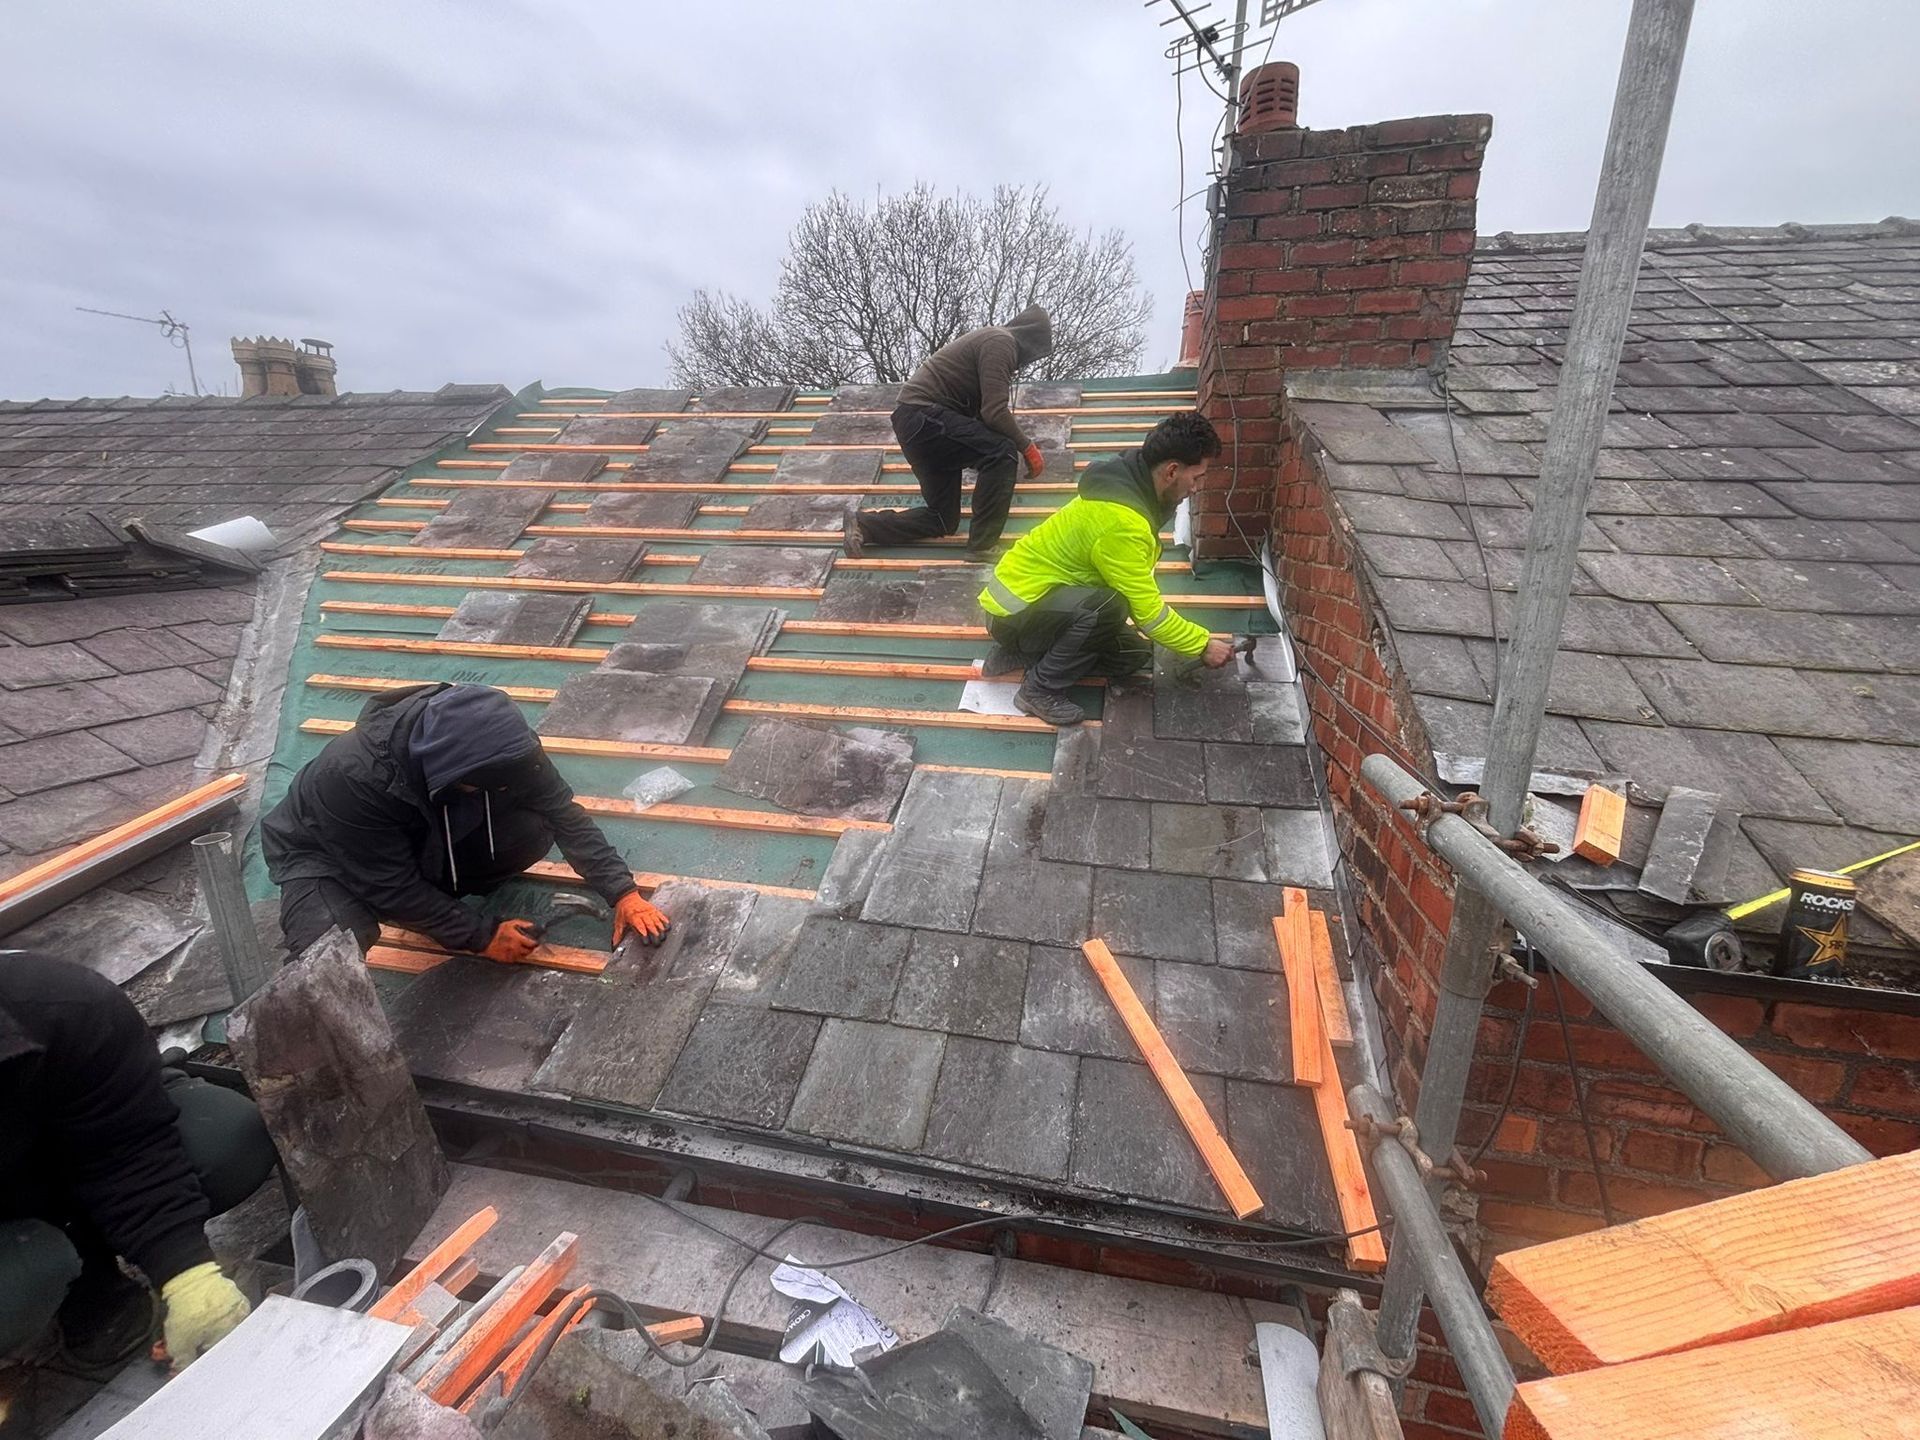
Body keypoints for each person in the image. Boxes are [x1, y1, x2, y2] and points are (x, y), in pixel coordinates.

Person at [0, 951, 274, 1372]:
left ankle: (93, 1276)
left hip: (56, 1144)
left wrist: (186, 1272)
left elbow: (125, 1144)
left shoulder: (56, 1003)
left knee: (224, 1139)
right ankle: (51, 1274)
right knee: (19, 1288)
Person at [262, 683, 671, 961]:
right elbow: (387, 881)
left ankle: (434, 903)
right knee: (328, 948)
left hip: (424, 828)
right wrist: (481, 935)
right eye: (478, 787)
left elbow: (563, 814)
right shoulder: (353, 775)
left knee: (532, 831)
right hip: (327, 854)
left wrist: (622, 892)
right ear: (447, 769)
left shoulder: (506, 746)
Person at [978, 410, 1233, 726]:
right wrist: (1203, 644)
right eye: (1196, 478)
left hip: (1025, 606)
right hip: (1013, 614)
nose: (1195, 488)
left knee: (1131, 656)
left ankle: (1026, 653)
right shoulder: (1121, 523)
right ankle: (1039, 688)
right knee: (1112, 606)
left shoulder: (1124, 487)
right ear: (1171, 471)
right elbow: (1149, 614)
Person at [843, 304, 1055, 560]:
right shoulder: (1001, 342)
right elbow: (995, 412)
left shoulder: (992, 342)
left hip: (917, 426)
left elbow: (981, 419)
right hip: (925, 416)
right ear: (1030, 340)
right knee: (1001, 452)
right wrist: (1026, 446)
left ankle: (865, 525)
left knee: (942, 519)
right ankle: (984, 546)